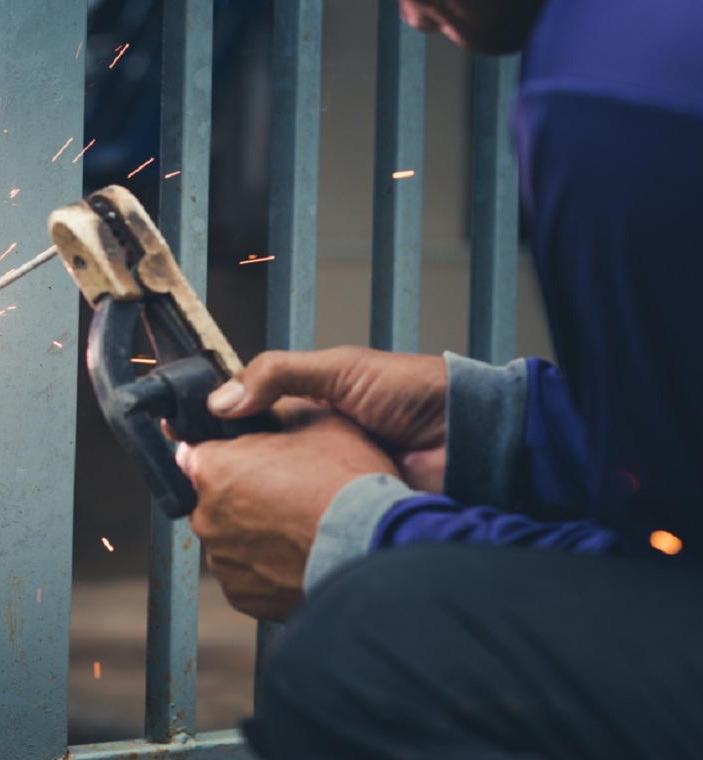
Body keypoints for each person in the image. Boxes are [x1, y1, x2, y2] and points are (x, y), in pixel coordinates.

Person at [175, 0, 703, 757]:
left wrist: (364, 539)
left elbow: (676, 558)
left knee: (375, 645)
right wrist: (504, 429)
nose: (410, 16)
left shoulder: (606, 91)